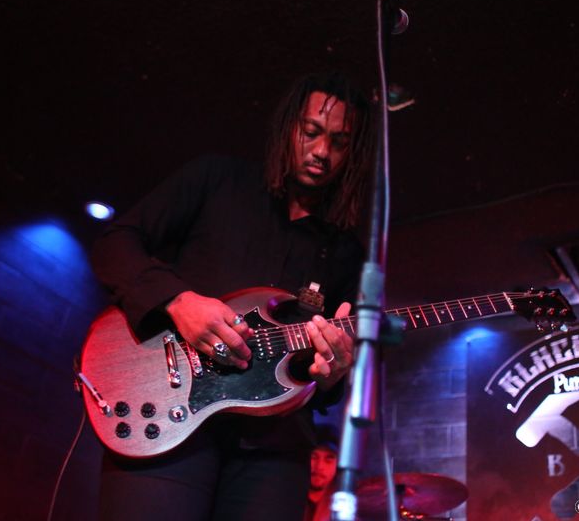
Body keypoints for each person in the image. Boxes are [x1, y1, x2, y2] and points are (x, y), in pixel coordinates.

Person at [89, 71, 376, 521]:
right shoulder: (218, 178)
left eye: (339, 142)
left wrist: (333, 372)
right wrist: (178, 301)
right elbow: (115, 243)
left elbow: (323, 382)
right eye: (311, 132)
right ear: (289, 127)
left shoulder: (346, 252)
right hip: (168, 414)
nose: (322, 151)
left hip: (274, 452)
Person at [304, 426, 340, 521]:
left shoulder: (343, 507)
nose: (319, 466)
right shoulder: (283, 497)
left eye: (328, 460)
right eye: (314, 457)